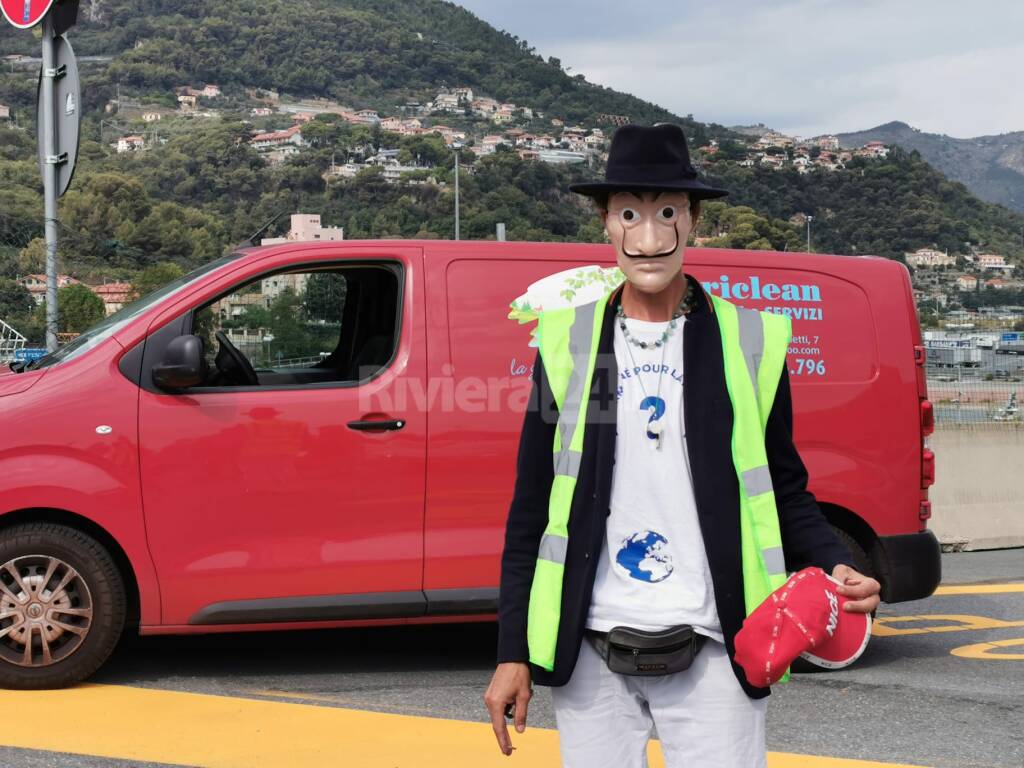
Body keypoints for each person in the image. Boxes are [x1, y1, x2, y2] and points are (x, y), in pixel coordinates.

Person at [483, 124, 881, 768]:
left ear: (692, 221)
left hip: (718, 646)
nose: (648, 235)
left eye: (667, 212)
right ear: (607, 225)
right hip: (590, 651)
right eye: (629, 214)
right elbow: (533, 507)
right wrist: (511, 652)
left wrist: (836, 562)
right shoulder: (577, 346)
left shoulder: (746, 342)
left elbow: (781, 487)